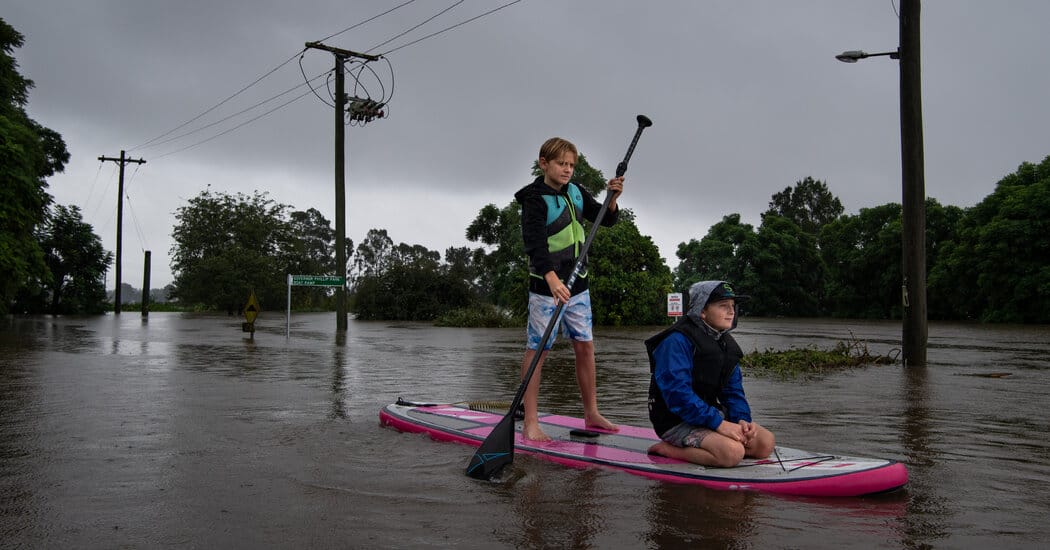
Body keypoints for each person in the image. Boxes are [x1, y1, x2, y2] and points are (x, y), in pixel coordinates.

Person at [512, 136, 624, 441]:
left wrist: (612, 198)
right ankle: (531, 421)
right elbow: (534, 244)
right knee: (538, 350)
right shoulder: (534, 198)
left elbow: (606, 219)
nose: (568, 170)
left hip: (578, 286)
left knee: (585, 347)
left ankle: (591, 413)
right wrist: (550, 277)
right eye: (562, 164)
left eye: (571, 165)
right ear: (544, 163)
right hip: (546, 287)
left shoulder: (575, 192)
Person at [644, 280, 775, 467]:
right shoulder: (675, 342)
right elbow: (677, 395)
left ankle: (716, 442)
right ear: (702, 311)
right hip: (675, 421)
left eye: (733, 306)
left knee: (765, 443)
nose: (731, 311)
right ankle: (668, 449)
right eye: (723, 306)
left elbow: (733, 392)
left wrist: (742, 420)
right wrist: (720, 425)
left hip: (708, 416)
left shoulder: (724, 345)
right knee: (732, 453)